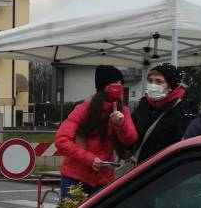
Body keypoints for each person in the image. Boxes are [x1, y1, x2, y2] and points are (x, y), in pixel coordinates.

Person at [54, 65, 138, 198]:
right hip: (75, 178)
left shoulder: (123, 111)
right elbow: (61, 140)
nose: (119, 87)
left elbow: (130, 139)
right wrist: (89, 159)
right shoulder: (83, 109)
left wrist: (120, 125)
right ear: (103, 86)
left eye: (121, 83)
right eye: (115, 83)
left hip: (103, 180)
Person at [130, 63, 193, 164]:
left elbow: (181, 152)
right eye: (150, 81)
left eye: (159, 81)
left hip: (161, 169)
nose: (153, 85)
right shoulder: (144, 104)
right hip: (139, 168)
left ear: (170, 86)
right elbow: (130, 136)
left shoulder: (182, 114)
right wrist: (120, 125)